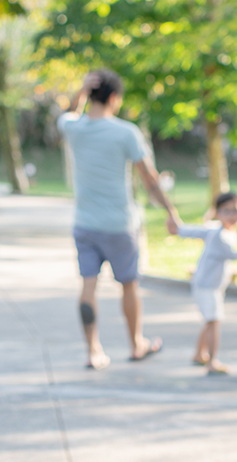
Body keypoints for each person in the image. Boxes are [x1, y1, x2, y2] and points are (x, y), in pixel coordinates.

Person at [58, 68, 179, 368]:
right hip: (120, 224)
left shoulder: (74, 128)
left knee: (88, 285)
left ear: (90, 95)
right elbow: (150, 178)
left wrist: (81, 92)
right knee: (129, 285)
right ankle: (137, 344)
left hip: (85, 223)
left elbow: (68, 114)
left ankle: (93, 351)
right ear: (113, 98)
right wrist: (170, 211)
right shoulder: (126, 132)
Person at [173, 191, 237, 374]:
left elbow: (192, 231)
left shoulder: (221, 230)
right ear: (218, 213)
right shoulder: (219, 234)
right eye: (226, 211)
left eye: (235, 211)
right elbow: (232, 254)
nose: (231, 215)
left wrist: (179, 229)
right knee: (213, 321)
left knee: (210, 321)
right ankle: (212, 361)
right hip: (207, 286)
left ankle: (199, 354)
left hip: (211, 285)